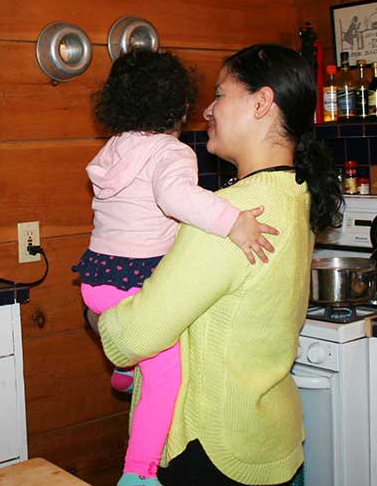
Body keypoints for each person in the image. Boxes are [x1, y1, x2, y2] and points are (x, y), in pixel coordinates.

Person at [93, 44, 343, 486]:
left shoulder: (230, 215)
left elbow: (135, 335)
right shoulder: (297, 198)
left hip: (212, 450)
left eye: (220, 94)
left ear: (261, 103)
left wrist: (98, 315)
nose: (207, 110)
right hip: (272, 440)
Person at [74, 49, 280, 486]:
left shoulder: (114, 150)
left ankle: (124, 369)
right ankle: (139, 472)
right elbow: (176, 199)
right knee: (166, 375)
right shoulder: (171, 151)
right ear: (180, 106)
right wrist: (233, 222)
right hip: (136, 280)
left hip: (96, 280)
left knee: (138, 352)